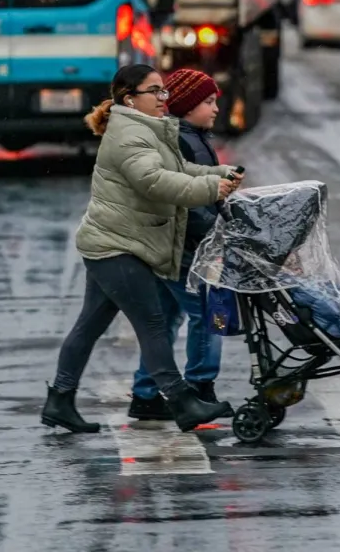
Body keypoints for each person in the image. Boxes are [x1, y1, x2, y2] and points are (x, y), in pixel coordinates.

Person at [41, 64, 244, 434]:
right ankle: (181, 402)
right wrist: (211, 191)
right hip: (117, 245)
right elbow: (154, 182)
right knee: (152, 322)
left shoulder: (149, 128)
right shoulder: (129, 134)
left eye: (164, 91)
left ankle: (59, 401)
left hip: (116, 242)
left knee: (89, 326)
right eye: (155, 91)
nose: (163, 98)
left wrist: (219, 173)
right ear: (129, 98)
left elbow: (180, 167)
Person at [128, 68, 228, 420]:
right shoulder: (183, 141)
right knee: (211, 313)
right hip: (185, 248)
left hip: (170, 246)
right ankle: (200, 385)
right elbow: (189, 200)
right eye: (208, 102)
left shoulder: (193, 137)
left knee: (166, 317)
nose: (216, 108)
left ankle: (145, 393)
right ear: (186, 106)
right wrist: (219, 229)